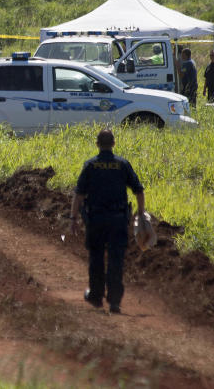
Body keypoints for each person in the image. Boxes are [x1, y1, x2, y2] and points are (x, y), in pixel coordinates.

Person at [69, 128, 145, 314]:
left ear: (97, 144)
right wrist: (141, 215)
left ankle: (95, 295)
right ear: (113, 144)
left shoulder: (90, 165)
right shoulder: (123, 164)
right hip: (118, 220)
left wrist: (73, 219)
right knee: (116, 259)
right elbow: (139, 191)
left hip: (95, 220)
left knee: (96, 258)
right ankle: (114, 301)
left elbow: (78, 195)